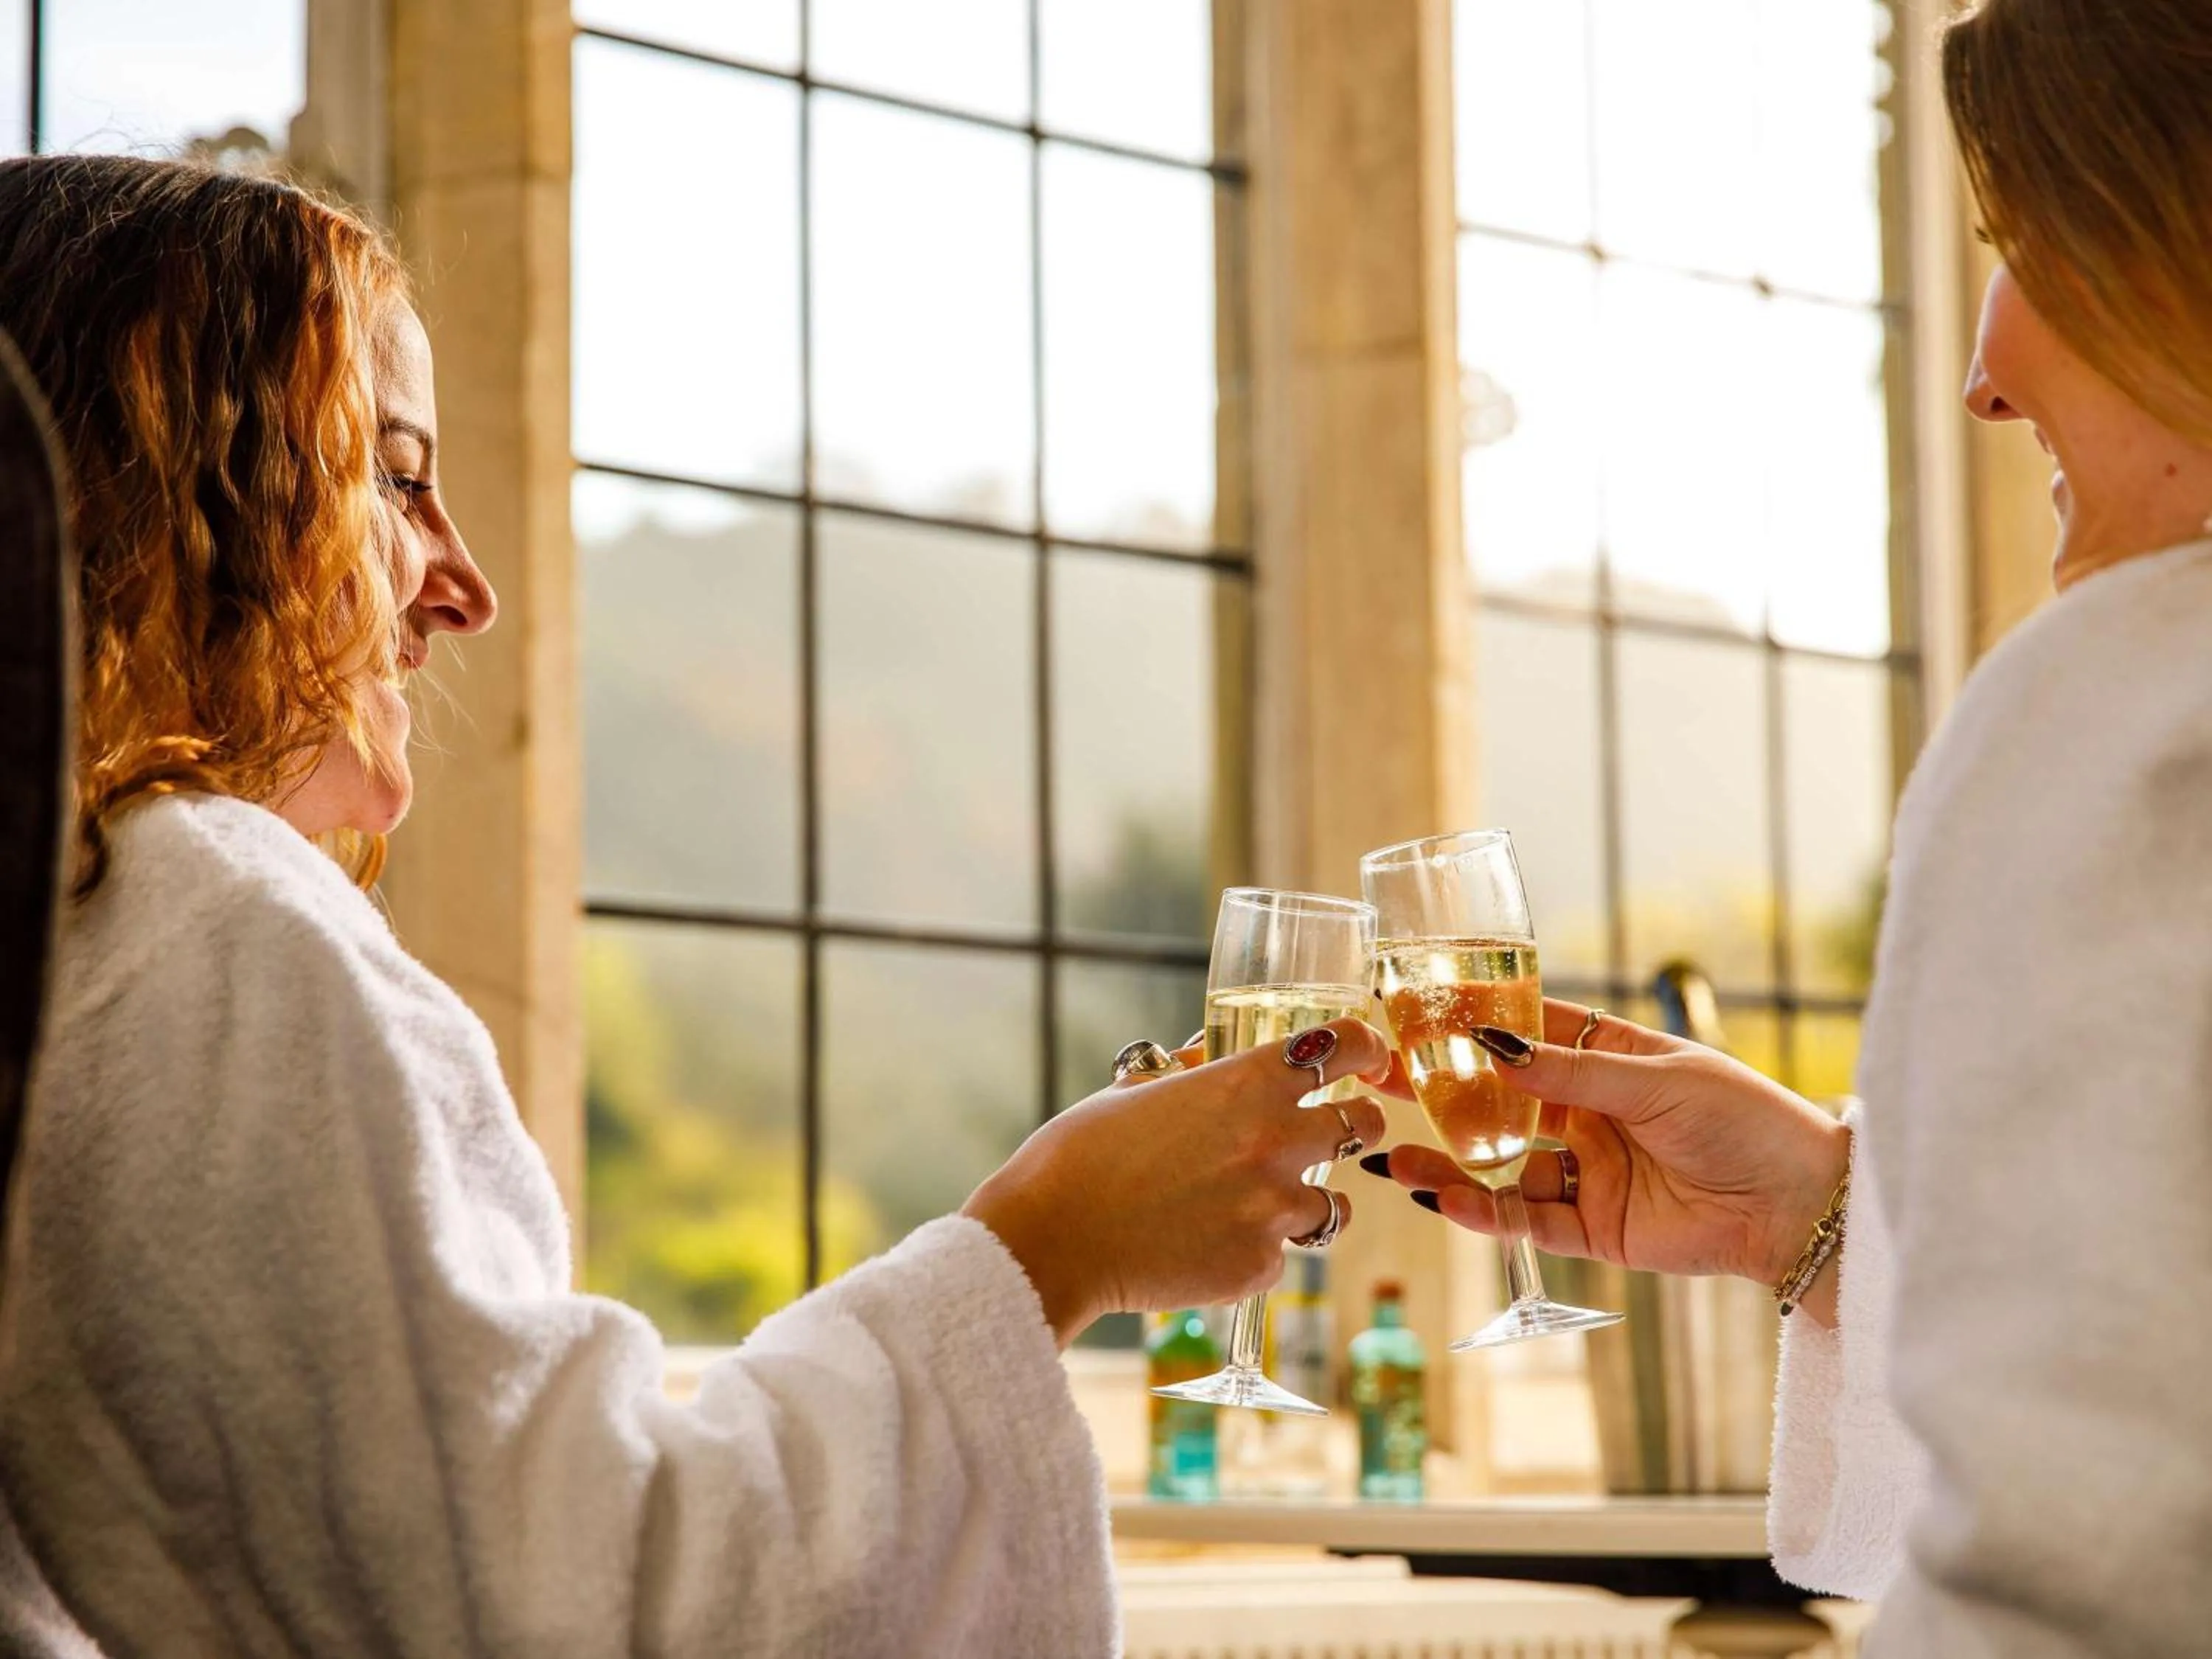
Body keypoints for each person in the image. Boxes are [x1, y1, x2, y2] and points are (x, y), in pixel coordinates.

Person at [0, 153, 1394, 1658]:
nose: (465, 585)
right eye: (394, 476)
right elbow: (579, 1610)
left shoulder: (84, 929)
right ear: (176, 488)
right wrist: (1049, 1242)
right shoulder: (197, 925)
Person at [1368, 1, 2212, 1650]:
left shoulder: (2126, 710)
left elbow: (2096, 1568)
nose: (1985, 374)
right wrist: (1817, 1213)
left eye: (2034, 244)